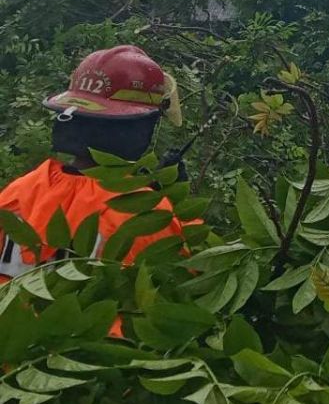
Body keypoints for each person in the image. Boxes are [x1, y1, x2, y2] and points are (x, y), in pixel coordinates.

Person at [0, 46, 189, 282]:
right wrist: (182, 214)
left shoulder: (19, 192)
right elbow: (183, 281)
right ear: (138, 127)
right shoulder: (145, 214)